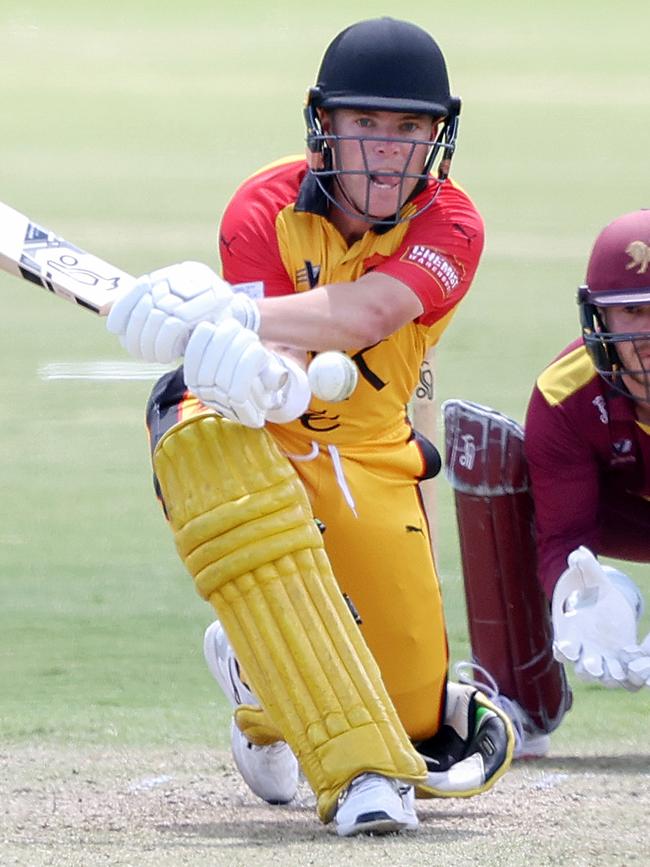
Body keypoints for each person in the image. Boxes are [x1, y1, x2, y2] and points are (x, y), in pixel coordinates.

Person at [107, 17, 513, 836]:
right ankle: (273, 651)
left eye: (409, 129)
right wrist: (255, 373)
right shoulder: (260, 207)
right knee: (204, 429)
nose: (386, 149)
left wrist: (233, 312)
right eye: (366, 123)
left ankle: (255, 684)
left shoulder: (454, 223)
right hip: (269, 436)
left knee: (408, 719)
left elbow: (367, 312)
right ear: (322, 122)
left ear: (439, 136)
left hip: (371, 451)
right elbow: (285, 358)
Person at [443, 210, 650, 762]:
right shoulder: (565, 393)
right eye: (633, 311)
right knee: (501, 470)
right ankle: (519, 692)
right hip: (628, 512)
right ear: (598, 321)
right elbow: (564, 537)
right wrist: (579, 596)